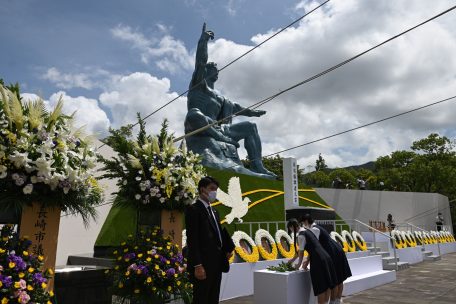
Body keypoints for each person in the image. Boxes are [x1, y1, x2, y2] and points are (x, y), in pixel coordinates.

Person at [184, 23, 276, 178]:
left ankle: (257, 165)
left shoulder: (220, 97)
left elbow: (237, 108)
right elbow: (200, 62)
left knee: (250, 127)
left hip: (219, 129)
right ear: (205, 71)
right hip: (199, 127)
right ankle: (220, 138)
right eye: (213, 69)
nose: (217, 72)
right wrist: (203, 41)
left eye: (217, 70)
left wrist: (253, 113)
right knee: (194, 113)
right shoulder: (198, 85)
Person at [185, 176, 235, 304]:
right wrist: (198, 265)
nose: (214, 192)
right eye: (212, 188)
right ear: (202, 190)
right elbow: (192, 240)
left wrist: (226, 250)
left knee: (213, 298)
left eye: (216, 189)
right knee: (201, 298)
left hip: (217, 263)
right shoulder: (194, 210)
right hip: (203, 265)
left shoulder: (214, 211)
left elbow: (216, 235)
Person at [302, 214, 351, 304]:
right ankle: (337, 300)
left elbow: (315, 246)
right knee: (339, 278)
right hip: (336, 249)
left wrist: (307, 261)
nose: (303, 226)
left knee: (336, 279)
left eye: (303, 223)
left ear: (305, 221)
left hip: (332, 251)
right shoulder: (317, 227)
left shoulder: (314, 229)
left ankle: (334, 301)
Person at [287, 218, 336, 304]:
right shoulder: (307, 231)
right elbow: (301, 250)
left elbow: (301, 253)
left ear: (292, 227)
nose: (290, 230)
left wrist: (298, 265)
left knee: (320, 287)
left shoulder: (301, 235)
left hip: (318, 260)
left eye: (290, 228)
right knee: (327, 284)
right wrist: (292, 260)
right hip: (326, 257)